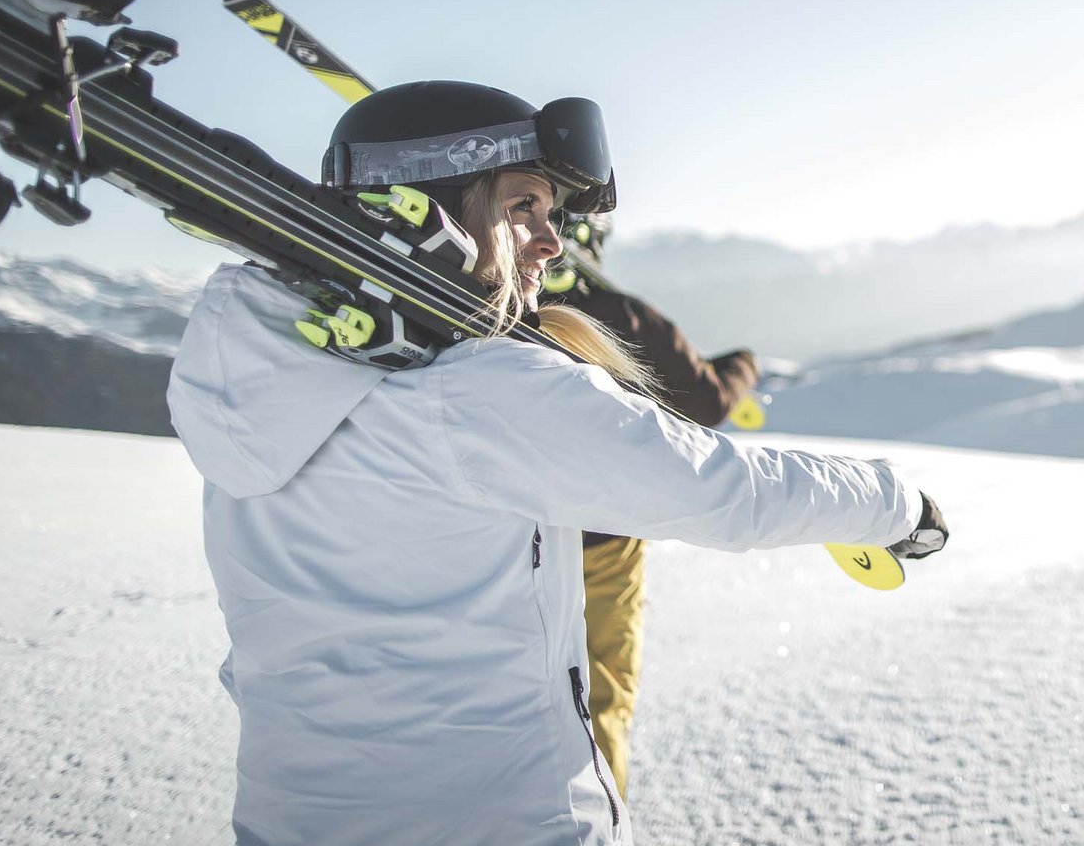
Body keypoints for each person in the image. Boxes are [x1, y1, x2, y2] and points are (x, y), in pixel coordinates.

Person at [168, 80, 947, 846]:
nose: (553, 241)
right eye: (523, 208)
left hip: (294, 815)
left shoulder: (255, 376)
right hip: (496, 816)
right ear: (435, 213)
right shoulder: (482, 393)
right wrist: (894, 503)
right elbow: (727, 493)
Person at [544, 212, 761, 797]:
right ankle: (595, 818)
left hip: (505, 537)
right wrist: (743, 364)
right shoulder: (624, 317)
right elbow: (707, 402)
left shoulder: (476, 301)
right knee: (601, 691)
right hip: (604, 539)